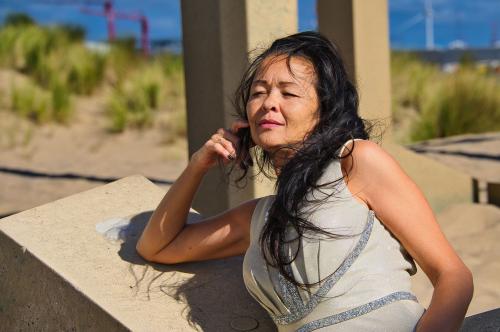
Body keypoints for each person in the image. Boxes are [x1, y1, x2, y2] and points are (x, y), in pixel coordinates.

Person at [136, 31, 473, 331]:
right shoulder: (259, 218)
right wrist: (198, 164)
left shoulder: (355, 163)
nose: (269, 103)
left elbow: (453, 278)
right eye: (259, 92)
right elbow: (157, 246)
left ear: (324, 110)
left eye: (288, 93)